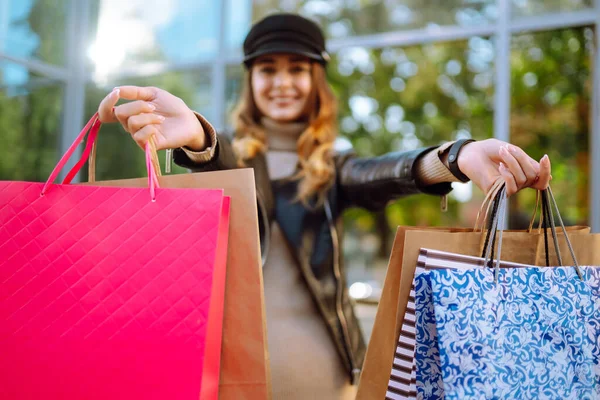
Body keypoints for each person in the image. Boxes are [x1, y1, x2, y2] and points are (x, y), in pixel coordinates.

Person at [97, 13, 551, 399]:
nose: (282, 82)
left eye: (297, 69)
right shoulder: (227, 155)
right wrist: (199, 136)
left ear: (315, 80)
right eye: (267, 69)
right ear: (250, 79)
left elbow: (382, 173)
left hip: (324, 377)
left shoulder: (332, 167)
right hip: (228, 377)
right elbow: (225, 159)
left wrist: (454, 157)